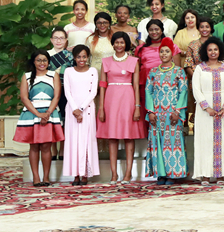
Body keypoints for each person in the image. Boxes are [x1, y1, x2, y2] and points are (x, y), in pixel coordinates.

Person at [97, 32, 142, 183]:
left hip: (128, 99)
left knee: (129, 136)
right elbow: (102, 85)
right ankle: (114, 174)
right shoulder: (106, 61)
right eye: (116, 42)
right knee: (112, 137)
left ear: (126, 44)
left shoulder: (134, 61)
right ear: (113, 44)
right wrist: (101, 107)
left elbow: (136, 85)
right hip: (111, 100)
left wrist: (137, 106)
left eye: (122, 42)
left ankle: (128, 173)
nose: (119, 45)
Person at [15, 50, 64, 187]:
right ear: (34, 62)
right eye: (38, 60)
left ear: (48, 62)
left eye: (44, 60)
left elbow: (57, 96)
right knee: (34, 146)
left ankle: (46, 177)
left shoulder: (53, 75)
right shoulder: (26, 76)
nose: (42, 63)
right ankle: (36, 177)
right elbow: (24, 98)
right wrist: (38, 114)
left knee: (46, 146)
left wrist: (47, 113)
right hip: (32, 114)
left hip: (50, 113)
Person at [192, 38, 224, 184]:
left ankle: (221, 175)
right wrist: (206, 107)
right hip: (204, 112)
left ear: (220, 51)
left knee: (223, 141)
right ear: (205, 52)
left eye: (215, 49)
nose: (213, 52)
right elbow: (196, 89)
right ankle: (205, 175)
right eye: (210, 50)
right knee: (205, 141)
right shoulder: (199, 69)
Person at [144, 40, 189, 186]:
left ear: (172, 53)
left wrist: (177, 111)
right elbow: (148, 91)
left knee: (173, 143)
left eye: (167, 51)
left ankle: (172, 174)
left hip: (173, 114)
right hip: (156, 114)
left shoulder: (179, 71)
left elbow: (183, 91)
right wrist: (150, 112)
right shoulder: (153, 72)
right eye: (162, 51)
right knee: (157, 143)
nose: (164, 54)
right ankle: (161, 174)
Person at [62, 45, 99, 186]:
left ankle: (85, 174)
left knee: (86, 140)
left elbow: (93, 92)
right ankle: (75, 175)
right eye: (78, 57)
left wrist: (81, 109)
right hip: (72, 110)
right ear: (74, 57)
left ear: (88, 57)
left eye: (84, 56)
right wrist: (75, 110)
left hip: (87, 110)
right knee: (73, 141)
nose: (81, 59)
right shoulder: (68, 71)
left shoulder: (93, 71)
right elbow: (67, 92)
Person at [136, 20, 180, 122]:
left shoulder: (172, 47)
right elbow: (137, 69)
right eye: (151, 30)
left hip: (167, 87)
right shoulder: (141, 49)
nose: (154, 32)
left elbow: (178, 69)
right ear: (147, 31)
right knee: (148, 114)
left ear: (162, 30)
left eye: (156, 29)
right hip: (146, 86)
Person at [184, 18, 217, 135]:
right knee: (198, 108)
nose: (204, 29)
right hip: (196, 80)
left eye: (207, 26)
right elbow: (188, 64)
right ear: (198, 28)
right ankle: (197, 134)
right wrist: (197, 78)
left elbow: (222, 62)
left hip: (214, 80)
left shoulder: (216, 43)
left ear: (211, 28)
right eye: (202, 27)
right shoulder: (192, 45)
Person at [47, 27, 73, 161]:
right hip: (49, 90)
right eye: (56, 38)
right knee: (52, 120)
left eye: (61, 38)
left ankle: (62, 149)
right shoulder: (45, 55)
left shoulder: (70, 56)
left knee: (64, 120)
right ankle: (53, 149)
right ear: (51, 40)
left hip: (65, 91)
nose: (59, 41)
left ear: (66, 40)